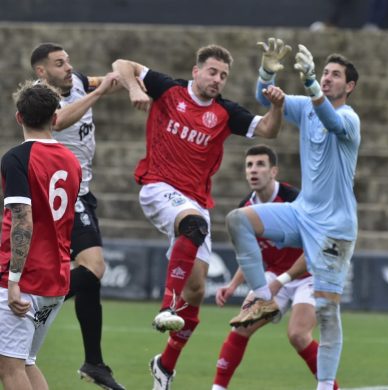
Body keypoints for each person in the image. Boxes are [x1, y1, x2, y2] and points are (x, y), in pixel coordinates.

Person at [112, 43, 285, 389]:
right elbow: (122, 62)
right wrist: (134, 88)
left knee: (197, 290)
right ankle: (166, 307)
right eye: (212, 72)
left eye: (223, 75)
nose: (217, 79)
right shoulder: (168, 89)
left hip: (194, 202)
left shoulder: (225, 112)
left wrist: (278, 107)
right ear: (196, 71)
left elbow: (268, 130)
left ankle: (164, 365)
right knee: (194, 224)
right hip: (158, 187)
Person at [225, 38, 360, 390]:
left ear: (349, 86)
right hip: (302, 213)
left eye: (335, 75)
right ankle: (264, 299)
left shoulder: (348, 118)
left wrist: (312, 83)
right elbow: (264, 96)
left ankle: (325, 385)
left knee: (327, 314)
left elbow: (330, 120)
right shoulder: (305, 106)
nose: (328, 78)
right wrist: (267, 70)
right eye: (325, 73)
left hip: (334, 228)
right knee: (238, 219)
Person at [30, 43, 125, 390]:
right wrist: (99, 92)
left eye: (68, 60)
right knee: (95, 267)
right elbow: (58, 120)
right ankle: (29, 304)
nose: (68, 67)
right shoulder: (41, 97)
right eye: (59, 63)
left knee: (91, 284)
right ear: (42, 72)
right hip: (64, 193)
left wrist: (129, 79)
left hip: (84, 191)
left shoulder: (80, 81)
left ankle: (94, 362)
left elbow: (111, 76)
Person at [211, 145, 339, 390]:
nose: (253, 171)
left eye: (260, 165)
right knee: (242, 327)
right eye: (249, 165)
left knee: (298, 335)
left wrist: (282, 279)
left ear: (274, 171)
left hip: (310, 274)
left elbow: (316, 248)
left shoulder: (295, 199)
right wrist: (233, 285)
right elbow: (251, 254)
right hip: (273, 277)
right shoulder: (245, 208)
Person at [0, 82, 82, 390]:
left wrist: (13, 279)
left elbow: (24, 220)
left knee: (9, 368)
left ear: (19, 118)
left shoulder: (17, 158)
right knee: (26, 361)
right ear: (56, 118)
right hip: (56, 277)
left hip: (25, 277)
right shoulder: (72, 162)